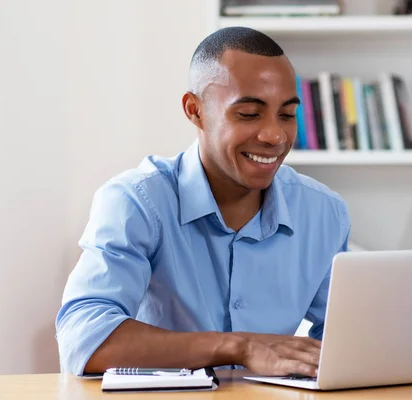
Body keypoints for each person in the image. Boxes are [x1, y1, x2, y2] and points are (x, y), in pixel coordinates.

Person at [55, 26, 351, 378]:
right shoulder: (136, 201)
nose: (275, 135)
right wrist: (238, 346)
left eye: (286, 115)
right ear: (195, 110)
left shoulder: (324, 212)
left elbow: (345, 342)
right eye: (248, 114)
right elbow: (83, 337)